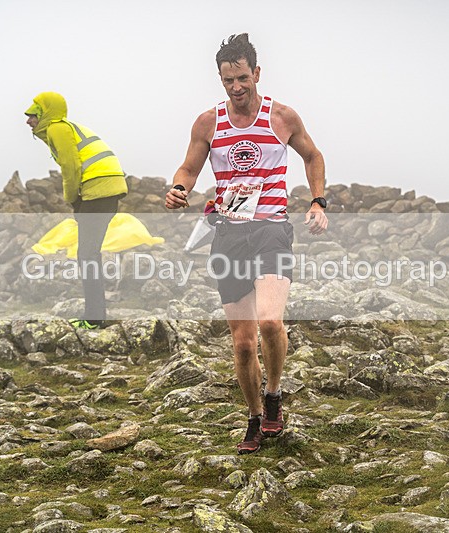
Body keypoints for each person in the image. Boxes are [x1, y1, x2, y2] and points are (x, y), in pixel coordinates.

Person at [165, 34, 328, 454]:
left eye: (242, 78)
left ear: (256, 73)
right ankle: (254, 416)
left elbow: (312, 156)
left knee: (271, 323)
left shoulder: (282, 117)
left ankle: (274, 393)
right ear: (220, 80)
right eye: (227, 80)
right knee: (241, 344)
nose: (236, 87)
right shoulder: (208, 122)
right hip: (229, 235)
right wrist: (179, 189)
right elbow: (188, 167)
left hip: (271, 229)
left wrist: (317, 201)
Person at [25, 92, 127, 329]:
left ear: (45, 114)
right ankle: (96, 315)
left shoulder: (57, 129)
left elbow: (71, 167)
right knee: (89, 254)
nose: (28, 121)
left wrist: (73, 199)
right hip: (106, 190)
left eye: (32, 115)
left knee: (87, 255)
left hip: (98, 191)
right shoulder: (64, 128)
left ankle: (94, 318)